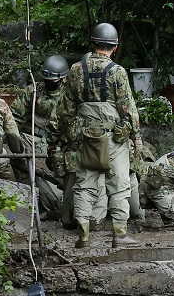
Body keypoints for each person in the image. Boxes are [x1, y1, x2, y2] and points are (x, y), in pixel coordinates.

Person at [51, 22, 142, 247]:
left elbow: (65, 109)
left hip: (87, 137)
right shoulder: (117, 72)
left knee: (84, 185)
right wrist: (136, 136)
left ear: (92, 43)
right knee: (119, 185)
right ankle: (120, 235)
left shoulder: (75, 70)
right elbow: (127, 107)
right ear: (115, 47)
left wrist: (70, 135)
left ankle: (83, 235)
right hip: (114, 139)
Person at [10, 54, 69, 213]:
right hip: (31, 140)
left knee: (55, 199)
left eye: (53, 81)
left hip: (57, 146)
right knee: (18, 153)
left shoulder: (69, 95)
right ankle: (26, 186)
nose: (49, 83)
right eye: (46, 79)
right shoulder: (33, 91)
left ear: (63, 79)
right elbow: (14, 117)